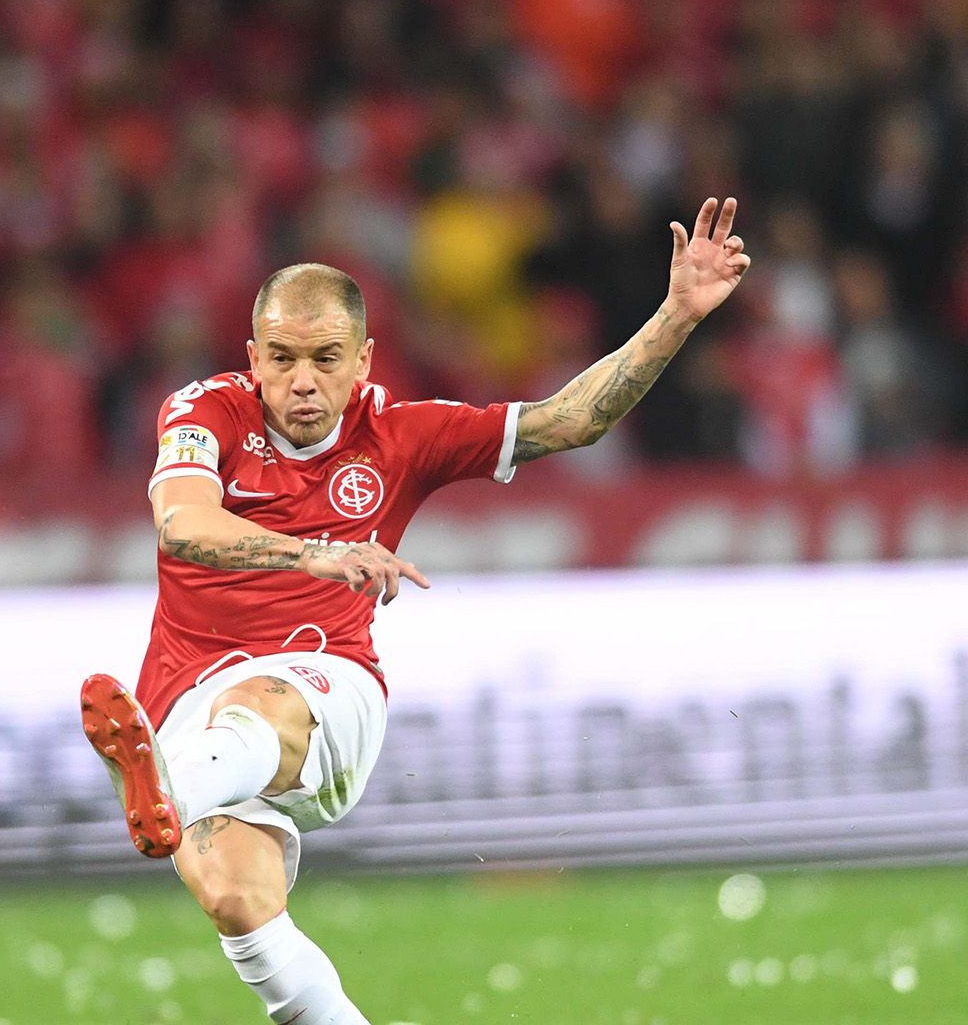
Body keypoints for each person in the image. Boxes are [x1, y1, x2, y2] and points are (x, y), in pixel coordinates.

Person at [82, 198, 752, 1024]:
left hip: (324, 685)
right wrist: (312, 552)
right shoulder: (201, 409)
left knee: (253, 706)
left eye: (326, 359)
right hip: (182, 694)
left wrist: (678, 314)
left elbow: (569, 420)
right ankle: (182, 797)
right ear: (251, 356)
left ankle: (167, 789)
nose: (301, 380)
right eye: (282, 358)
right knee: (237, 903)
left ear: (363, 358)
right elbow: (182, 524)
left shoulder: (404, 434)